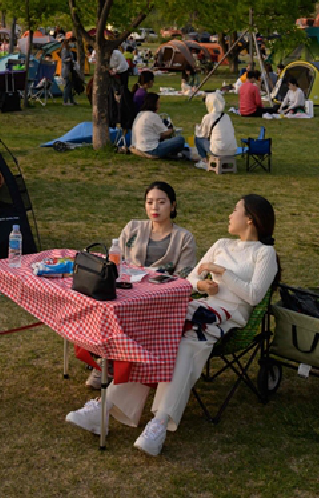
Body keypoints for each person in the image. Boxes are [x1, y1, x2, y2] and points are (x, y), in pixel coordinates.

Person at [66, 194, 279, 456]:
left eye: (235, 210)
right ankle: (104, 407)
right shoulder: (222, 244)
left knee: (187, 345)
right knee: (156, 337)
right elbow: (190, 279)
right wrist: (201, 285)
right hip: (202, 306)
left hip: (228, 316)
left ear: (250, 219)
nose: (229, 215)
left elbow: (255, 295)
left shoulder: (265, 254)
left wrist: (223, 273)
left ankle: (159, 424)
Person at [81, 181, 199, 388]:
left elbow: (184, 278)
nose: (155, 207)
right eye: (150, 202)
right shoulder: (133, 227)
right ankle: (104, 359)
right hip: (127, 290)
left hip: (161, 297)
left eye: (161, 202)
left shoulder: (184, 238)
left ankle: (110, 364)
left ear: (173, 205)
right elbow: (118, 261)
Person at [131, 93, 186, 159]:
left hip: (139, 146)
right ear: (154, 104)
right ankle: (165, 155)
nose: (159, 105)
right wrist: (172, 130)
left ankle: (169, 155)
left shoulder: (140, 114)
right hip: (151, 149)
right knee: (180, 139)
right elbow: (165, 133)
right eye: (158, 103)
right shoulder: (152, 116)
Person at [193, 91, 237, 169]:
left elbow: (203, 135)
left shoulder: (208, 117)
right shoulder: (227, 116)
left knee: (197, 139)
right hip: (232, 150)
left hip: (218, 150)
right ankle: (224, 163)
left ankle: (204, 161)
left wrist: (197, 128)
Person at [60, 38, 79, 106]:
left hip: (70, 69)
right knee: (67, 85)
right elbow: (63, 60)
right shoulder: (64, 50)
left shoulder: (69, 50)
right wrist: (69, 59)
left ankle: (71, 100)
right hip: (66, 70)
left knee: (70, 86)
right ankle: (65, 101)